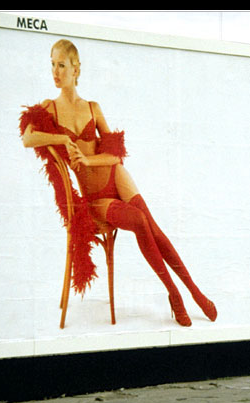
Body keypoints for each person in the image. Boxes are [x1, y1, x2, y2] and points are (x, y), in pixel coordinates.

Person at [19, 39, 216, 327]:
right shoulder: (49, 109)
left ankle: (195, 292)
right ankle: (174, 293)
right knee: (138, 221)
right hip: (96, 198)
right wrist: (62, 138)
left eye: (61, 65)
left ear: (76, 69)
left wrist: (86, 161)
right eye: (52, 64)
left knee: (154, 227)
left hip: (117, 178)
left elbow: (114, 157)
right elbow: (27, 138)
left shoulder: (93, 107)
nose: (55, 71)